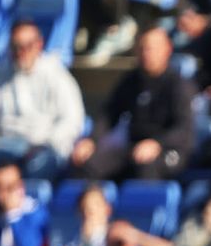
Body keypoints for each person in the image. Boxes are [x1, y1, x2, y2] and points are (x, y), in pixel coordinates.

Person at [0, 19, 84, 207]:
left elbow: (72, 119)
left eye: (28, 45)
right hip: (6, 145)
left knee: (46, 160)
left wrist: (48, 143)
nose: (22, 51)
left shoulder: (56, 75)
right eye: (17, 46)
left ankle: (25, 211)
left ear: (39, 44)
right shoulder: (0, 74)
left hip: (42, 145)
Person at [71, 26, 195, 182]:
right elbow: (109, 114)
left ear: (167, 49)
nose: (146, 54)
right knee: (88, 164)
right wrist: (91, 140)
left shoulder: (178, 85)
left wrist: (157, 143)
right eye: (142, 48)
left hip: (169, 150)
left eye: (151, 49)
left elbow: (184, 127)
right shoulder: (131, 81)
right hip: (135, 147)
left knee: (146, 169)